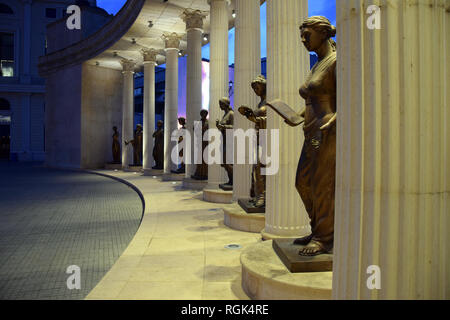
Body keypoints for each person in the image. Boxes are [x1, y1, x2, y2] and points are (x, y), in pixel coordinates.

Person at [266, 16, 337, 256]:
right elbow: (313, 98)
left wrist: (336, 119)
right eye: (302, 35)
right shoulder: (318, 63)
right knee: (303, 183)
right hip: (311, 128)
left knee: (321, 184)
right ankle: (318, 228)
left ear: (324, 33)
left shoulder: (336, 61)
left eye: (307, 34)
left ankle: (325, 237)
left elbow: (352, 96)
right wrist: (295, 115)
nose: (303, 39)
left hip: (326, 129)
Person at [239, 75, 267, 208]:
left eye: (257, 87)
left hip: (266, 138)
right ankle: (257, 194)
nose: (256, 90)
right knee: (255, 169)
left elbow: (271, 120)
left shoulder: (269, 102)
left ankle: (263, 196)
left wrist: (255, 119)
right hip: (258, 136)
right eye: (254, 88)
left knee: (261, 168)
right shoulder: (260, 103)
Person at [215, 98, 234, 190]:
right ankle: (230, 180)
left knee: (228, 162)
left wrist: (223, 126)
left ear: (225, 104)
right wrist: (219, 126)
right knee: (225, 162)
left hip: (229, 141)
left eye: (221, 104)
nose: (219, 106)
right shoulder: (225, 115)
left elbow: (234, 127)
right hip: (224, 140)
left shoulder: (231, 114)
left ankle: (233, 181)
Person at [191, 110, 209, 180]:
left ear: (206, 114)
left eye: (204, 114)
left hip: (205, 143)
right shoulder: (198, 123)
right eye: (202, 114)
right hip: (199, 143)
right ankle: (198, 173)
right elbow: (194, 130)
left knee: (204, 159)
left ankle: (204, 174)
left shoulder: (208, 123)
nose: (203, 115)